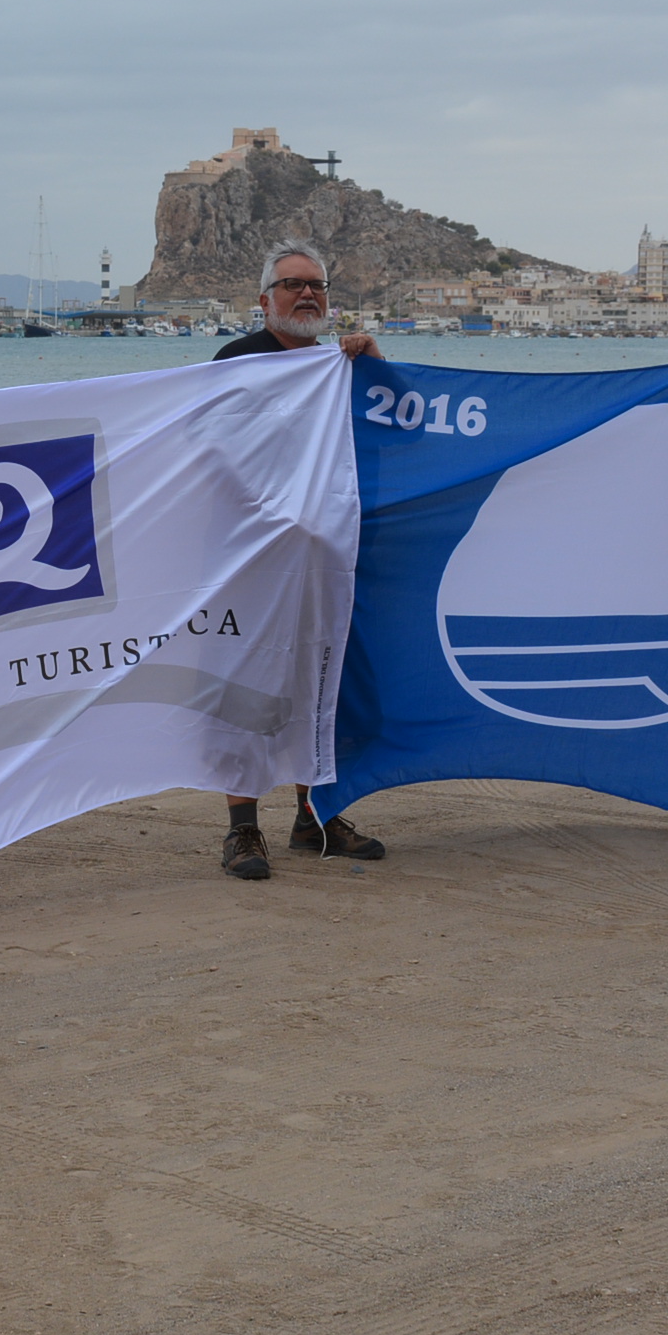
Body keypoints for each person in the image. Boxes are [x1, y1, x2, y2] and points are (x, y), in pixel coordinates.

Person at [210, 240, 387, 880]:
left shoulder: (334, 367)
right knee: (250, 691)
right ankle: (242, 830)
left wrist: (374, 362)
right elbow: (216, 457)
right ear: (264, 300)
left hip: (325, 559)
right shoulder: (235, 363)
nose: (306, 294)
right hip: (252, 557)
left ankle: (315, 819)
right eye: (291, 285)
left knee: (321, 683)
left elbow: (384, 436)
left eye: (316, 285)